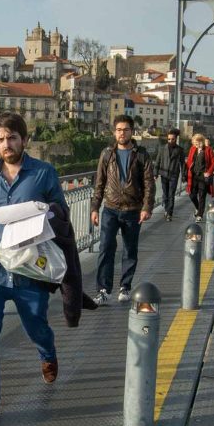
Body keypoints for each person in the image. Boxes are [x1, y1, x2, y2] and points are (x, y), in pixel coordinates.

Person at [0, 112, 66, 426]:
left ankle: (47, 353)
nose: (5, 145)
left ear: (24, 140)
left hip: (28, 268)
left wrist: (46, 212)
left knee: (36, 324)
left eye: (11, 138)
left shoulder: (44, 173)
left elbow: (61, 212)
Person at [90, 114, 156, 306]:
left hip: (133, 209)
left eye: (125, 129)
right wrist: (95, 207)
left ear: (131, 131)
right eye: (118, 130)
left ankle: (125, 287)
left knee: (130, 249)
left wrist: (146, 207)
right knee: (105, 248)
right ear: (114, 132)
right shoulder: (107, 154)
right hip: (110, 209)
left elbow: (149, 183)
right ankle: (103, 290)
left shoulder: (141, 154)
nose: (122, 133)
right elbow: (99, 183)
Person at [154, 128, 184, 222]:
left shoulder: (179, 150)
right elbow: (158, 161)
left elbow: (182, 164)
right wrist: (155, 173)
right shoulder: (162, 149)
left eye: (173, 139)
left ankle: (169, 213)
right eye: (169, 139)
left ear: (176, 139)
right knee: (165, 194)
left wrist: (183, 175)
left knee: (171, 194)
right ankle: (166, 209)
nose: (171, 141)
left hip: (174, 175)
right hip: (163, 174)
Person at [186, 133, 214, 222]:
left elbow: (213, 162)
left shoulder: (208, 149)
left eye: (196, 143)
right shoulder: (192, 149)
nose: (195, 145)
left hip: (203, 176)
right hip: (194, 176)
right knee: (192, 195)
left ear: (200, 141)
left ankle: (200, 215)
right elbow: (189, 161)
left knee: (202, 195)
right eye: (194, 143)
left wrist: (209, 172)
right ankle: (198, 208)